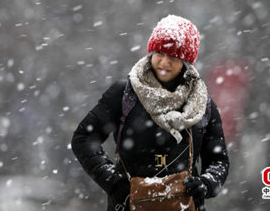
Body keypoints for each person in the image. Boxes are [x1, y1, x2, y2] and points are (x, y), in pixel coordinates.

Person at [71, 15, 229, 210]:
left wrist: (205, 184)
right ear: (150, 52)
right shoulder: (124, 94)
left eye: (173, 57)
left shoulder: (202, 104)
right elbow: (83, 138)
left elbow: (218, 160)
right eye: (159, 53)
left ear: (186, 63)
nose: (164, 62)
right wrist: (114, 184)